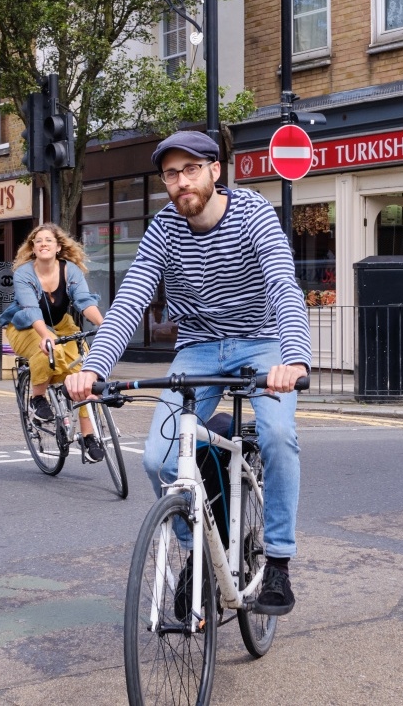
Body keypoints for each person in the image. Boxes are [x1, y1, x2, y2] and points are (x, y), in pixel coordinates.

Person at [66, 131, 310, 616]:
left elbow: (283, 284)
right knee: (158, 459)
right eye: (172, 174)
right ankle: (199, 551)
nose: (182, 182)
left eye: (191, 170)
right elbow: (132, 298)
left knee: (279, 433)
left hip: (262, 344)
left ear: (215, 172)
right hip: (197, 349)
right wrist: (94, 368)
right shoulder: (163, 229)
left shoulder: (254, 214)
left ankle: (278, 562)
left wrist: (294, 358)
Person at [0, 223, 107, 462]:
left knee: (84, 375)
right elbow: (30, 308)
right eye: (38, 241)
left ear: (58, 247)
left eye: (48, 240)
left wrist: (104, 324)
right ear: (33, 248)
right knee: (48, 352)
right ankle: (38, 398)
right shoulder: (24, 273)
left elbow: (83, 301)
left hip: (62, 324)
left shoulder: (70, 271)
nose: (43, 244)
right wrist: (46, 335)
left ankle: (89, 437)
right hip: (25, 325)